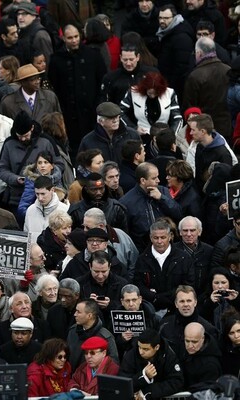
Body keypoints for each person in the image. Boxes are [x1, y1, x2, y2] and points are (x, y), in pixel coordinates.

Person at [48, 25, 106, 153]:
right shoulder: (57, 59)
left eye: (76, 37)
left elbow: (102, 80)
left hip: (91, 111)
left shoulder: (93, 55)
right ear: (63, 38)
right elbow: (54, 85)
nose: (74, 40)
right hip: (69, 114)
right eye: (70, 38)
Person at [120, 162, 182, 249]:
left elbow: (178, 213)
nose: (158, 180)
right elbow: (127, 232)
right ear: (143, 181)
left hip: (167, 246)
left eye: (157, 177)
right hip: (143, 249)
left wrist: (161, 198)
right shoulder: (127, 202)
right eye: (154, 178)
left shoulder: (163, 191)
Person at [183, 37, 231, 139]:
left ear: (199, 53)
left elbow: (190, 107)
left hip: (204, 131)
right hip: (227, 127)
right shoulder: (228, 71)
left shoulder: (195, 76)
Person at [119, 328, 184, 399]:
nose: (141, 352)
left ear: (157, 347)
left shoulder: (168, 355)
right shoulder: (131, 355)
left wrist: (148, 392)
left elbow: (176, 382)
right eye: (139, 347)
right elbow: (124, 383)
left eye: (146, 349)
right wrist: (144, 376)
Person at [159, 285, 219, 357]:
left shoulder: (208, 329)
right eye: (182, 301)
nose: (186, 304)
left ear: (195, 302)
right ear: (176, 304)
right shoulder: (164, 325)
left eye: (189, 301)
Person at [66, 299, 118, 369]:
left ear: (89, 316)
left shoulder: (105, 336)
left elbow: (113, 363)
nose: (75, 314)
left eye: (78, 312)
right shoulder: (72, 331)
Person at [156, 5, 195, 96]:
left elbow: (181, 67)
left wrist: (169, 86)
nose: (162, 21)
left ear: (174, 18)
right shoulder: (166, 32)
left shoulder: (181, 37)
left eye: (166, 18)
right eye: (160, 18)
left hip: (175, 87)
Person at [180, 322, 223, 391]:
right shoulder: (183, 351)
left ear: (203, 338)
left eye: (194, 342)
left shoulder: (211, 364)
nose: (190, 346)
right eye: (187, 341)